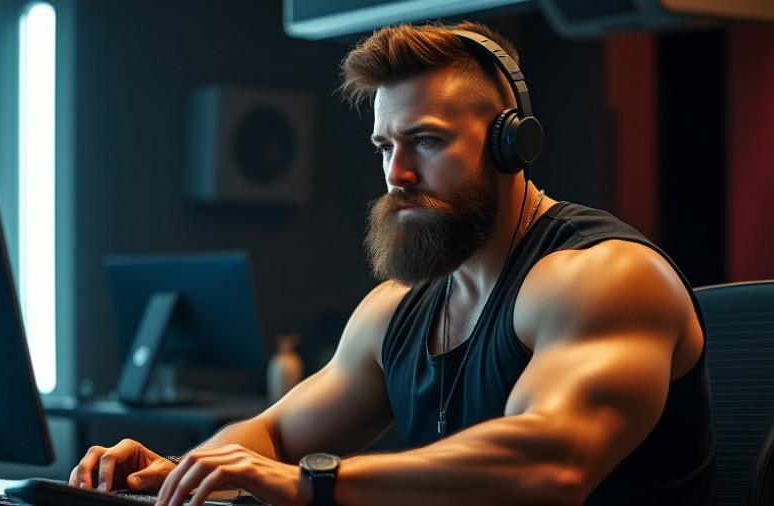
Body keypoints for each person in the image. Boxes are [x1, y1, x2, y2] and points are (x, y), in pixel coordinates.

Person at [70, 21, 717, 506]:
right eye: (385, 146)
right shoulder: (399, 308)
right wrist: (178, 473)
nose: (397, 173)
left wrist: (314, 485)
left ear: (510, 144)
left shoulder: (602, 277)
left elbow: (550, 464)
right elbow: (278, 437)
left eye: (426, 141)